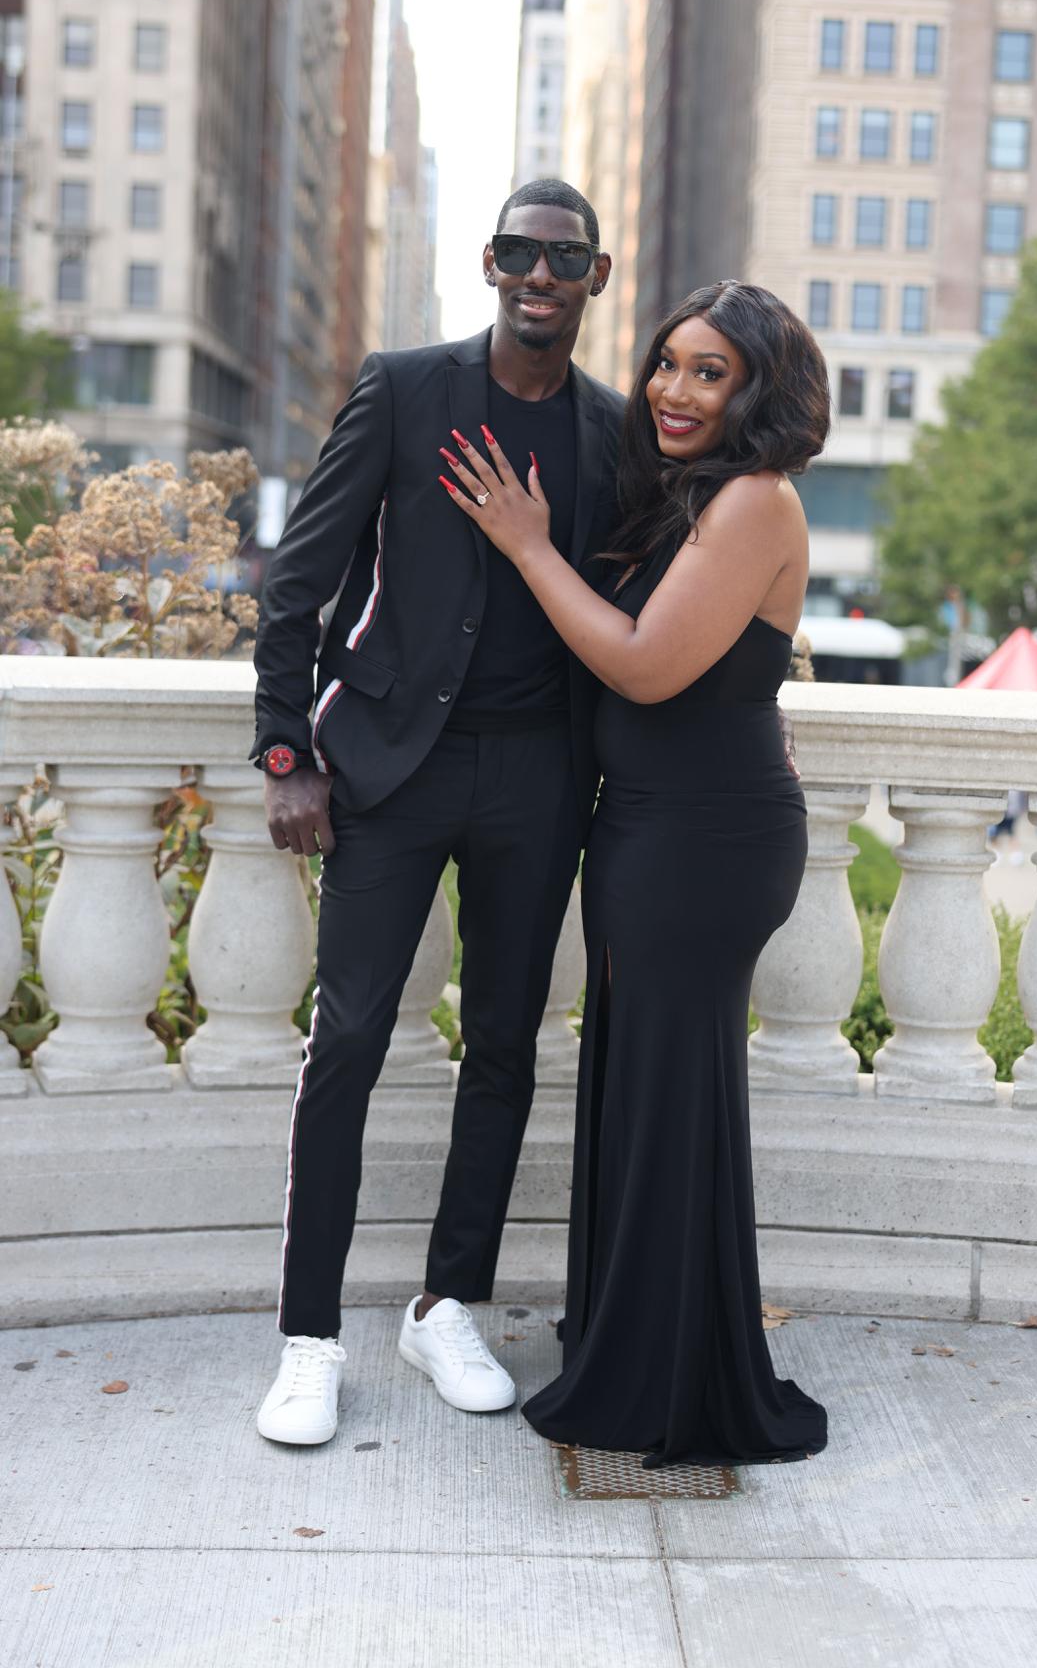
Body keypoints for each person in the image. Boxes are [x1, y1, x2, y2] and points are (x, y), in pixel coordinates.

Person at [250, 179, 623, 1446]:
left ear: (595, 276)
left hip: (537, 779)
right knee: (348, 1040)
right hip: (389, 770)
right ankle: (309, 1338)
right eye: (519, 250)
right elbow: (297, 580)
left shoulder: (611, 431)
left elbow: (639, 604)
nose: (538, 272)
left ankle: (445, 1302)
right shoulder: (405, 390)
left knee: (505, 1046)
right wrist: (286, 751)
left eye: (562, 257)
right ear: (488, 262)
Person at [440, 280, 829, 1466]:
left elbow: (647, 666)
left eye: (710, 372)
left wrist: (524, 544)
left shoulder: (755, 497)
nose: (674, 389)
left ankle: (668, 1377)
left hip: (703, 842)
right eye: (667, 362)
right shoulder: (692, 496)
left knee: (666, 1094)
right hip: (648, 828)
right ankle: (643, 1339)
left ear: (759, 391)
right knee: (645, 1087)